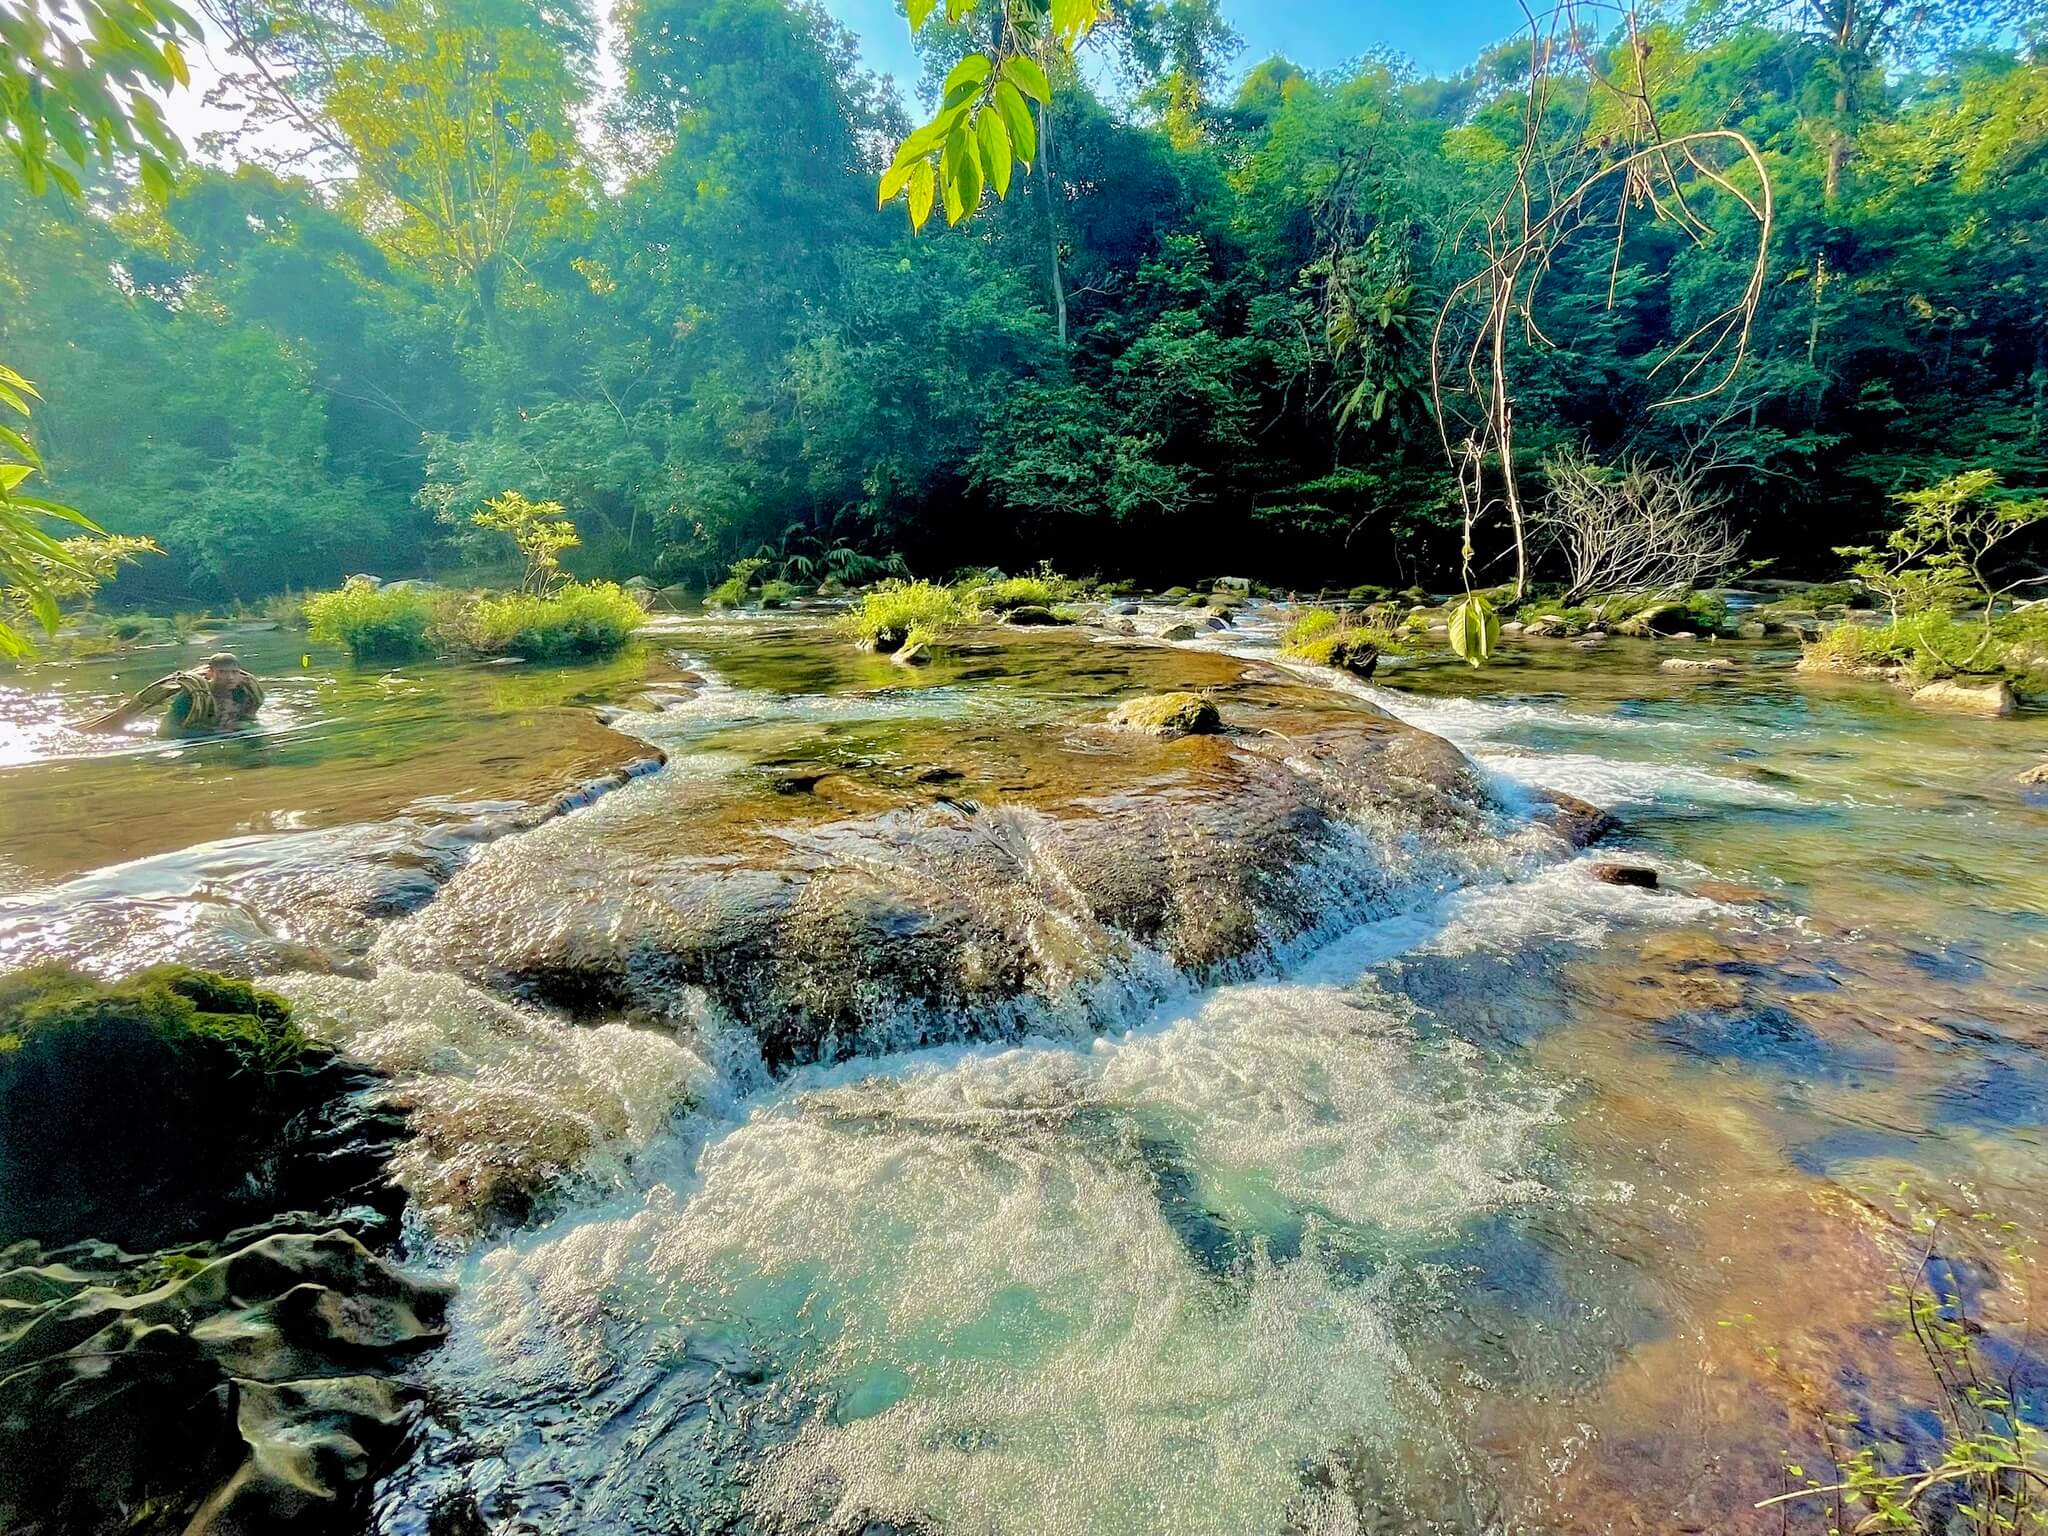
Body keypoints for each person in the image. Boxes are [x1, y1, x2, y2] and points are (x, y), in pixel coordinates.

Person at [82, 652, 267, 737]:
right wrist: (211, 732)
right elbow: (165, 730)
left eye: (234, 672)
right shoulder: (192, 696)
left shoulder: (243, 694)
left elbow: (250, 718)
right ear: (211, 673)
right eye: (223, 672)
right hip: (198, 732)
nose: (230, 678)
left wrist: (245, 726)